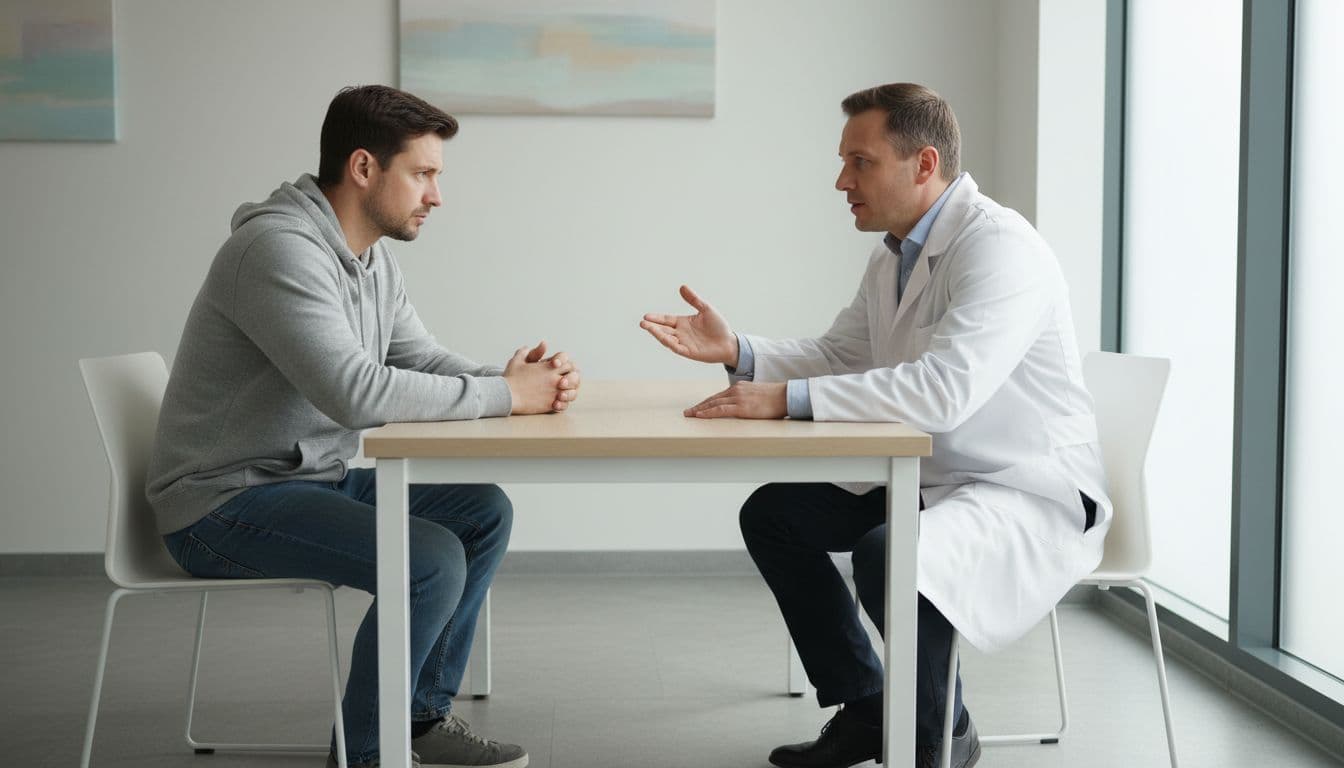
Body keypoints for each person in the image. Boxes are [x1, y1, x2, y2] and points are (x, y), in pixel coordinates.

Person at [640, 82, 1109, 768]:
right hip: (934, 475)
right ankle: (866, 708)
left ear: (924, 164)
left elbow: (944, 391)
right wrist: (738, 351)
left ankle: (939, 736)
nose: (842, 181)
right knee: (775, 516)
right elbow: (841, 355)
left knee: (890, 552)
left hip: (1021, 486)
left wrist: (784, 400)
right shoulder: (894, 254)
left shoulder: (1001, 248)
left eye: (860, 162)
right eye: (844, 162)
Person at [146, 84, 576, 768]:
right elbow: (356, 393)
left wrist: (518, 382)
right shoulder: (277, 252)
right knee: (429, 559)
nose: (436, 196)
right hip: (223, 503)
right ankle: (367, 754)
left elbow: (418, 358)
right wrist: (504, 396)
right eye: (423, 173)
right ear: (365, 168)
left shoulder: (370, 257)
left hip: (311, 480)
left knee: (481, 512)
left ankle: (419, 719)